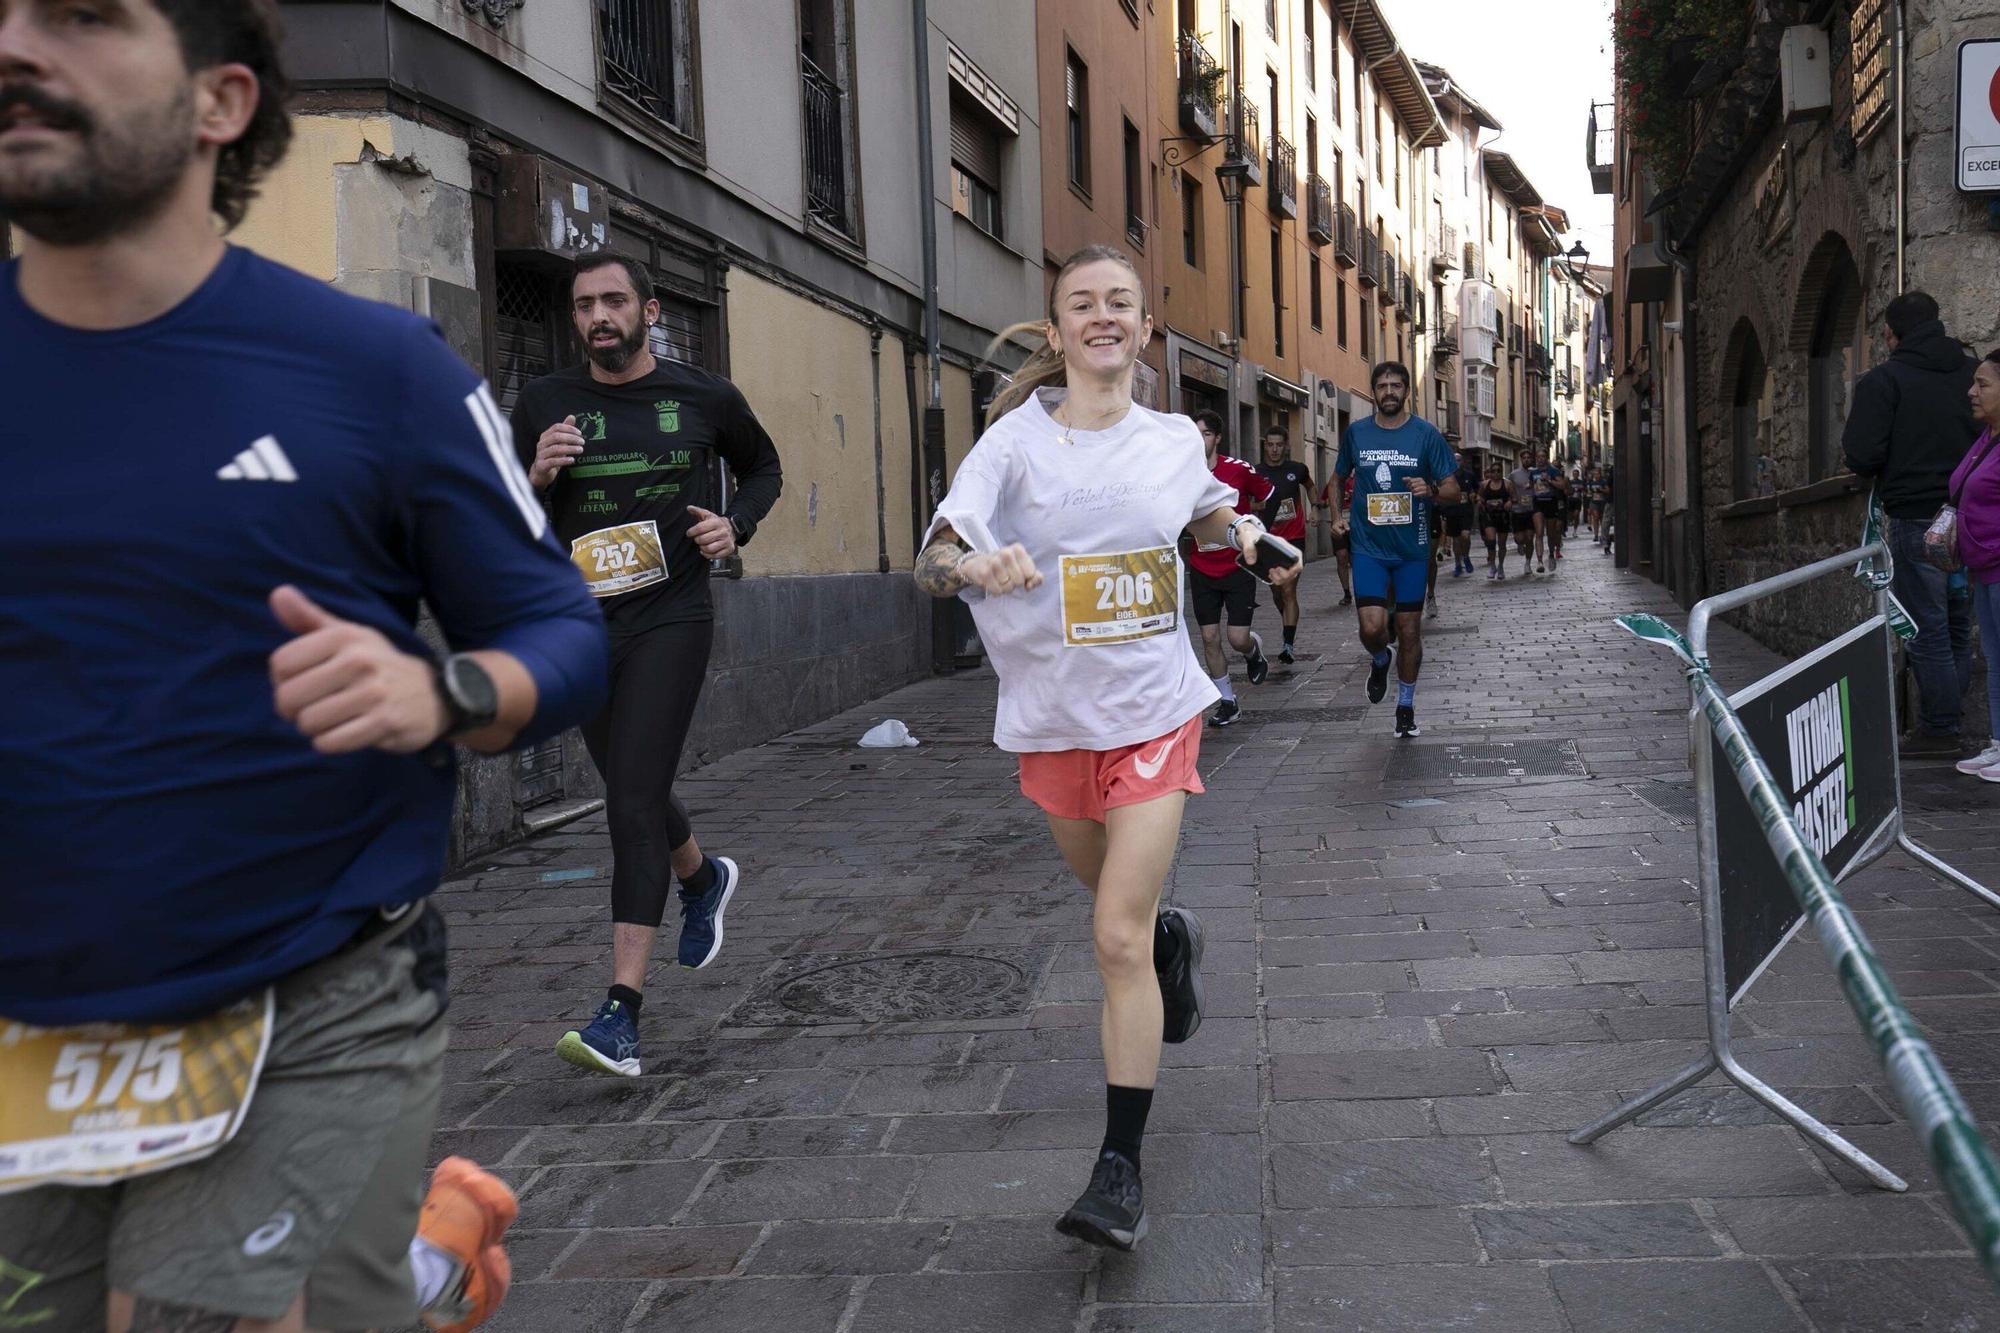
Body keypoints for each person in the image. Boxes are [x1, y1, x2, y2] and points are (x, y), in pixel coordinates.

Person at [0, 3, 610, 1329]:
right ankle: (428, 1264)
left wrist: (437, 692)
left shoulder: (371, 369)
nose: (16, 45)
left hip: (306, 996)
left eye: (83, 17)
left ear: (219, 105)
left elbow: (563, 632)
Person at [912, 245, 1298, 1251]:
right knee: (1120, 913)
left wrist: (1247, 536)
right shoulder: (1011, 446)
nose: (1100, 316)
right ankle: (1173, 939)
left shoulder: (1171, 437)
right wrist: (970, 565)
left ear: (1140, 329)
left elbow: (1202, 508)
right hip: (1049, 723)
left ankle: (1117, 1166)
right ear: (1056, 332)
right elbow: (931, 554)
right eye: (1080, 303)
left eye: (1117, 303)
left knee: (1111, 938)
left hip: (1155, 711)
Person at [512, 255, 784, 1077]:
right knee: (636, 781)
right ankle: (701, 881)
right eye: (586, 305)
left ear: (649, 310)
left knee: (629, 800)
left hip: (672, 615)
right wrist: (537, 473)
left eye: (614, 301)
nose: (600, 316)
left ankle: (620, 1014)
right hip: (579, 622)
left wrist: (734, 525)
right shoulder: (544, 404)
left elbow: (764, 468)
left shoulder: (702, 396)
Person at [1842, 291, 1980, 758]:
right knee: (1958, 623)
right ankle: (1948, 718)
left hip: (1917, 518)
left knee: (1926, 627)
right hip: (1969, 518)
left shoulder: (1884, 381)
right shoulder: (1972, 375)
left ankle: (1940, 728)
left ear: (1889, 334)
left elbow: (1861, 454)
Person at [1332, 362, 1461, 737]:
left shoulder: (1425, 435)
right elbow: (1338, 475)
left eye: (1396, 385)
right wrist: (1336, 515)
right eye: (1383, 385)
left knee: (1408, 631)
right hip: (1369, 548)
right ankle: (1378, 657)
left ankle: (1405, 707)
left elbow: (1453, 490)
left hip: (1412, 552)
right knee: (1371, 627)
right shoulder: (1357, 433)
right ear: (1373, 391)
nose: (1389, 391)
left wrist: (1432, 491)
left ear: (1407, 391)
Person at [1188, 410, 1274, 725]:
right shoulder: (1182, 472)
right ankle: (1227, 701)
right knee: (1209, 637)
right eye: (1194, 433)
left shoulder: (1237, 470)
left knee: (1237, 638)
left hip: (1237, 568)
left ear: (1218, 437)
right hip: (1201, 568)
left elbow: (1267, 494)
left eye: (1206, 434)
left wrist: (1256, 532)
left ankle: (1253, 652)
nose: (1200, 440)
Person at [1952, 351, 2000, 782]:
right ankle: (1999, 744)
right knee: (1995, 657)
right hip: (1983, 568)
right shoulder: (1987, 437)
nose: (1972, 391)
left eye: (1983, 384)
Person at [1257, 425, 1317, 664]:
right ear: (1265, 445)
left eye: (1278, 445)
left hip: (1294, 538)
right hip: (1266, 539)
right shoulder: (1255, 471)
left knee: (1289, 590)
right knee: (1277, 592)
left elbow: (1311, 487)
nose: (1274, 449)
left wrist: (1315, 509)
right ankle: (1288, 621)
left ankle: (1288, 645)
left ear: (1286, 446)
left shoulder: (1297, 469)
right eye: (1270, 445)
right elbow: (1244, 499)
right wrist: (1256, 507)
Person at [1443, 458, 1481, 579]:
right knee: (1456, 539)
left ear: (1463, 462)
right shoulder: (1446, 476)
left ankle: (1466, 556)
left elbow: (1478, 488)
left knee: (1465, 535)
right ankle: (1458, 564)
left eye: (1459, 460)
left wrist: (1475, 495)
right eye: (1454, 460)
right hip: (1452, 511)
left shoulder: (1469, 475)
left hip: (1466, 511)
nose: (1456, 462)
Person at [1479, 463, 1514, 580]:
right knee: (1491, 541)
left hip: (1503, 516)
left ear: (1502, 472)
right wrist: (1480, 502)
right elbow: (1480, 498)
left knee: (1502, 543)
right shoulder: (1485, 484)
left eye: (1498, 471)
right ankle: (1492, 565)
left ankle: (1501, 566)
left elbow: (1514, 498)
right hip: (1489, 516)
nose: (1496, 473)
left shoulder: (1507, 484)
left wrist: (1510, 502)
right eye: (1493, 471)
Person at [1508, 456, 1539, 571]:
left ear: (1531, 460)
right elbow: (1508, 488)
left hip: (1531, 510)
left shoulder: (1535, 473)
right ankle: (1520, 544)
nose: (1527, 460)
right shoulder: (1514, 474)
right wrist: (1512, 498)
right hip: (1517, 510)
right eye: (1524, 458)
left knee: (1530, 538)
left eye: (1528, 458)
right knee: (1520, 538)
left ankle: (1528, 563)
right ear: (1521, 459)